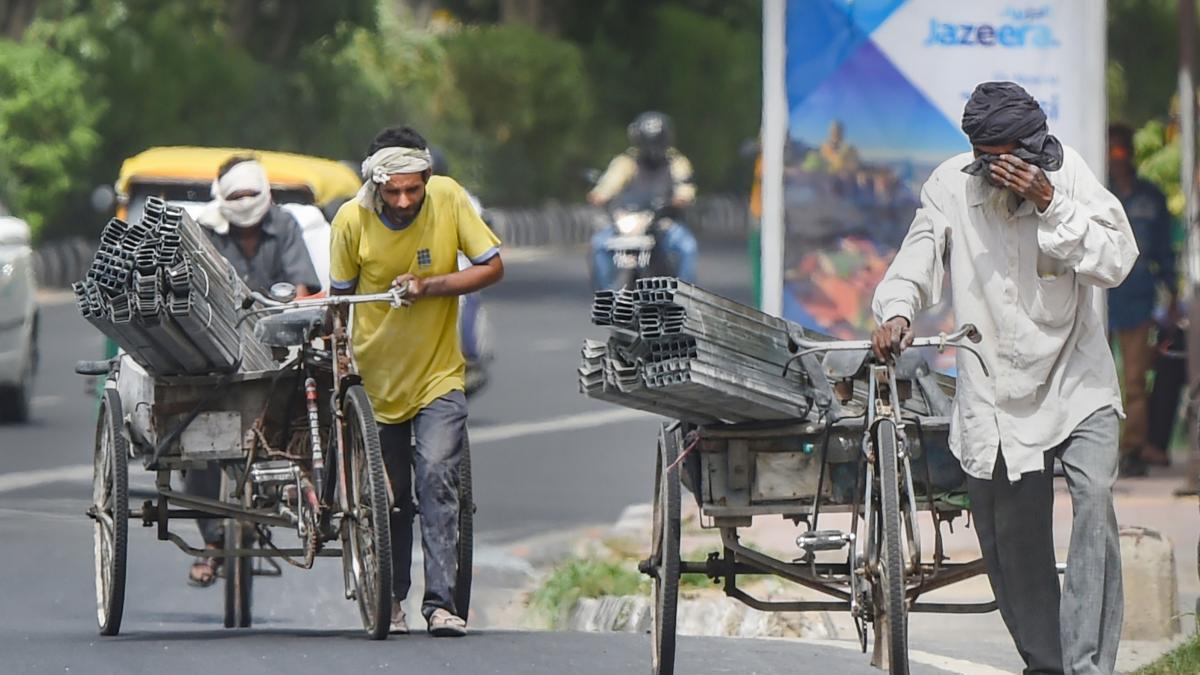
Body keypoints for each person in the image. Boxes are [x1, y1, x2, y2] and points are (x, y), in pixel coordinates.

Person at [870, 82, 1137, 674]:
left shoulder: (1069, 179)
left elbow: (1117, 261)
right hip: (993, 392)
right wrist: (896, 310)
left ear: (1034, 148)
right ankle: (1048, 664)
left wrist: (1050, 204)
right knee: (1013, 541)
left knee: (1095, 501)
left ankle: (1088, 666)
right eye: (987, 159)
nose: (1000, 171)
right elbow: (917, 256)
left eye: (1010, 157)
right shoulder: (949, 186)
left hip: (1076, 379)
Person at [329, 125, 503, 637]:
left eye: (413, 188)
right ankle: (393, 600)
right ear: (374, 186)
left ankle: (442, 605)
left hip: (438, 376)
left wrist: (431, 287)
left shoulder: (448, 199)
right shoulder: (350, 221)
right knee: (391, 499)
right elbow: (338, 304)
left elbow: (491, 267)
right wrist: (340, 364)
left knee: (436, 478)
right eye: (393, 191)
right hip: (377, 385)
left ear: (428, 178)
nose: (404, 201)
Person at [185, 155, 322, 587]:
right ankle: (212, 542)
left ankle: (302, 489)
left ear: (266, 195)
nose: (244, 202)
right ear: (222, 197)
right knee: (199, 436)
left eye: (250, 193)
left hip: (277, 347)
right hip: (217, 351)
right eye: (235, 195)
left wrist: (285, 322)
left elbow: (302, 287)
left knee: (311, 403)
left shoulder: (284, 226)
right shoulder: (205, 231)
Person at [1106, 123, 1178, 477]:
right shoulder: (1095, 191)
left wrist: (1173, 294)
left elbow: (1164, 249)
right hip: (1097, 299)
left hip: (1137, 296)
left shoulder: (1150, 195)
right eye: (1110, 151)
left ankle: (1132, 449)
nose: (1116, 158)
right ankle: (1098, 450)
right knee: (1091, 378)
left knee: (1135, 380)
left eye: (1121, 150)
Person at [587, 111, 698, 289]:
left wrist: (677, 201)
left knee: (687, 247)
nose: (652, 148)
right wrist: (600, 196)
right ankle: (607, 296)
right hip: (628, 223)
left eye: (657, 142)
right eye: (648, 142)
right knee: (599, 245)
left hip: (664, 223)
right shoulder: (626, 162)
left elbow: (685, 190)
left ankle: (685, 301)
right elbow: (608, 185)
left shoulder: (676, 162)